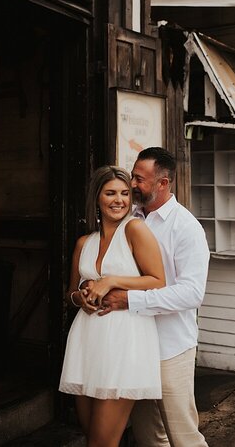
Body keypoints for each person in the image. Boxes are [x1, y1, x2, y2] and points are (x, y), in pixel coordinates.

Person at [98, 147, 210, 447]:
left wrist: (130, 301)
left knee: (184, 436)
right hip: (135, 345)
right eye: (132, 176)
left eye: (139, 179)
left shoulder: (186, 228)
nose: (132, 184)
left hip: (171, 348)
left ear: (163, 183)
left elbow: (191, 292)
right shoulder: (128, 218)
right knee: (148, 436)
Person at [59, 165, 166, 447]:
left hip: (124, 342)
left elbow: (158, 280)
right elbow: (69, 292)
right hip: (86, 342)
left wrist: (111, 281)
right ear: (97, 198)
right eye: (110, 193)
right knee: (90, 433)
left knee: (102, 442)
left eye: (124, 193)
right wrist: (79, 298)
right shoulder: (85, 242)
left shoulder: (135, 229)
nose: (119, 200)